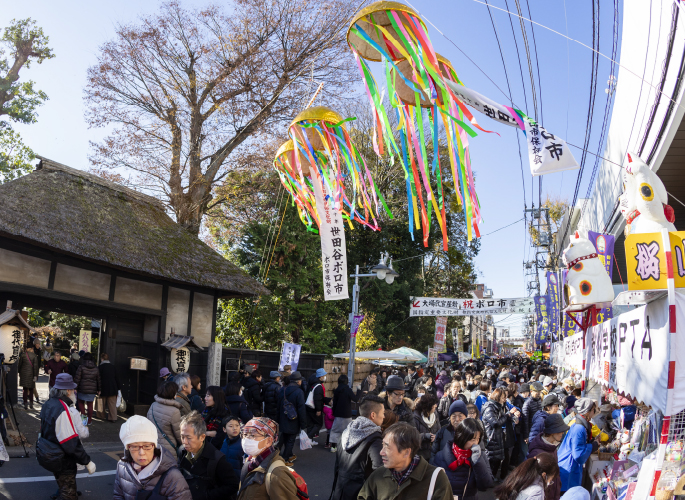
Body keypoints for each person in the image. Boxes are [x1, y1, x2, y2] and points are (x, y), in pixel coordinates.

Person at [357, 422, 453, 500]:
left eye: (387, 447)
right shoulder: (378, 475)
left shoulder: (436, 478)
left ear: (406, 452)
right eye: (383, 445)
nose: (381, 452)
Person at [39, 374, 96, 500]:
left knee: (61, 480)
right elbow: (70, 442)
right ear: (68, 391)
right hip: (62, 458)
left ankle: (66, 491)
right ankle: (68, 493)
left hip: (49, 452)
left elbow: (43, 430)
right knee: (68, 491)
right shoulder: (63, 410)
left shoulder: (48, 403)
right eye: (73, 389)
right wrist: (87, 461)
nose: (75, 392)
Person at [113, 415, 192, 500]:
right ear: (127, 447)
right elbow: (118, 496)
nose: (141, 453)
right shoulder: (122, 467)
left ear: (154, 446)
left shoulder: (172, 476)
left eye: (147, 446)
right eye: (134, 447)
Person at [330, 395, 385, 500]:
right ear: (373, 415)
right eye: (383, 413)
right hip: (360, 493)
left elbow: (338, 464)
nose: (384, 417)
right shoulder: (374, 437)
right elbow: (379, 469)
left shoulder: (347, 431)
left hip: (339, 490)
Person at [178, 411, 239, 500]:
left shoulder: (217, 459)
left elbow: (232, 486)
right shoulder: (182, 451)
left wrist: (207, 495)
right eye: (182, 437)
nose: (184, 442)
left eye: (189, 438)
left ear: (202, 437)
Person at [236, 417, 300, 500]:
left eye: (252, 435)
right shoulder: (250, 461)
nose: (246, 439)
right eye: (245, 435)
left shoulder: (277, 474)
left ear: (269, 441)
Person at [433, 418, 494, 500]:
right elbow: (434, 485)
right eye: (473, 439)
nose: (476, 443)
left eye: (478, 439)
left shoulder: (480, 455)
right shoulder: (441, 456)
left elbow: (485, 485)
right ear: (461, 437)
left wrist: (478, 462)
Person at [557, 398, 600, 493]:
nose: (594, 412)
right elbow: (578, 455)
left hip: (568, 467)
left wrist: (591, 442)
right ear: (587, 412)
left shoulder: (579, 424)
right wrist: (593, 446)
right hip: (568, 470)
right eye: (593, 410)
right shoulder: (579, 428)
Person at [527, 414, 569, 500]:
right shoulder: (537, 453)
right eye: (559, 431)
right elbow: (533, 484)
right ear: (551, 432)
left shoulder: (552, 446)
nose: (562, 433)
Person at [482, 388, 518, 482]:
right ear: (497, 397)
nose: (504, 399)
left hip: (497, 436)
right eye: (503, 397)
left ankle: (492, 477)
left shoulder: (498, 406)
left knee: (496, 458)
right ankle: (488, 480)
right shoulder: (490, 407)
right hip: (491, 436)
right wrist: (508, 415)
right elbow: (495, 423)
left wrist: (511, 416)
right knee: (490, 459)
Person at [494, 452, 559, 500]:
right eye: (550, 480)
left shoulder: (518, 477)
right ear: (544, 475)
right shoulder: (537, 491)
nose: (549, 483)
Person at [277, 370, 308, 466]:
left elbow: (278, 405)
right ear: (298, 381)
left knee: (284, 437)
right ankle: (285, 459)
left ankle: (284, 454)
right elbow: (301, 409)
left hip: (283, 417)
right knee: (291, 439)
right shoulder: (299, 392)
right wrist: (303, 424)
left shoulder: (283, 389)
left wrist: (278, 418)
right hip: (294, 419)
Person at [148, 380, 184, 458]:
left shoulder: (153, 405)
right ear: (173, 393)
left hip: (154, 446)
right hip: (168, 450)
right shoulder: (174, 411)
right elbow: (179, 434)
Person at [327, 374, 360, 452]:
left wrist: (334, 412)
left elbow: (334, 403)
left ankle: (333, 447)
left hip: (338, 414)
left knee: (335, 430)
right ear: (346, 382)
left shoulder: (337, 390)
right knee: (347, 431)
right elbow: (355, 399)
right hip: (347, 414)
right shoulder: (348, 390)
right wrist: (359, 390)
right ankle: (346, 447)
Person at [74, 352, 101, 425]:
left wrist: (75, 387)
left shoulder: (81, 367)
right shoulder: (96, 368)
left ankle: (84, 420)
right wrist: (99, 389)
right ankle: (89, 420)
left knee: (80, 403)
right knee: (90, 404)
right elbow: (98, 379)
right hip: (92, 389)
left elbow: (77, 378)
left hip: (82, 388)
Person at [413, 394, 441, 461]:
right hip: (421, 454)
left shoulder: (435, 414)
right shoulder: (415, 417)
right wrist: (425, 436)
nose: (436, 406)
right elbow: (413, 436)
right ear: (428, 407)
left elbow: (439, 430)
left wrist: (436, 436)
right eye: (434, 404)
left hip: (433, 452)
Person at [305, 368, 330, 440]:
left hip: (308, 406)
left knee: (310, 424)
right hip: (314, 407)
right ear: (321, 376)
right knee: (319, 424)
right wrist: (319, 409)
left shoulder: (311, 383)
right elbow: (318, 399)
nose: (325, 377)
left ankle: (309, 441)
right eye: (324, 375)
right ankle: (308, 437)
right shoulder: (318, 386)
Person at [98, 352, 120, 422]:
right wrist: (119, 388)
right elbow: (117, 378)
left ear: (102, 359)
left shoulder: (100, 367)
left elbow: (98, 379)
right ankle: (113, 417)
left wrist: (97, 388)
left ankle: (101, 416)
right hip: (112, 388)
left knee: (100, 402)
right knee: (112, 404)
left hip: (102, 388)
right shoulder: (113, 367)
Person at [17, 344, 40, 410]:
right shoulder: (34, 356)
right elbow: (35, 367)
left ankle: (25, 403)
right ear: (32, 349)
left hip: (24, 374)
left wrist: (19, 372)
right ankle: (31, 403)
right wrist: (35, 375)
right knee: (31, 389)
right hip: (31, 375)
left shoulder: (23, 355)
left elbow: (19, 365)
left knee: (25, 389)